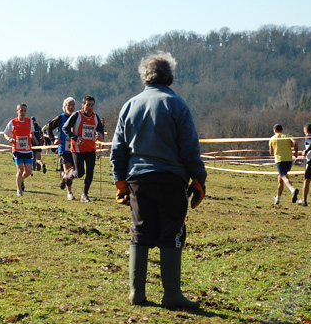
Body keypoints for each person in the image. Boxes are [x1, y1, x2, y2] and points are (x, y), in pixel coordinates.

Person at [110, 51, 206, 309]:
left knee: (139, 231)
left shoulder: (129, 105)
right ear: (170, 77)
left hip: (137, 180)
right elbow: (189, 148)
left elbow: (117, 149)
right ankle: (172, 294)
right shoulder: (177, 105)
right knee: (171, 232)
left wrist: (120, 182)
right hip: (171, 179)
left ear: (145, 77)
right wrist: (199, 178)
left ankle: (136, 293)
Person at [62, 95, 104, 202]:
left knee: (90, 172)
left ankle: (84, 195)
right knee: (80, 173)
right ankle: (68, 174)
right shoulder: (77, 115)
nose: (90, 108)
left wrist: (100, 135)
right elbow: (65, 128)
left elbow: (100, 129)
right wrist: (75, 138)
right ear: (83, 105)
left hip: (91, 149)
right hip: (78, 149)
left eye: (92, 105)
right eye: (87, 105)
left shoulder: (95, 117)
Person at [46, 97, 77, 200]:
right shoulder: (61, 118)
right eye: (69, 105)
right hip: (63, 148)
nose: (71, 107)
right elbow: (48, 127)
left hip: (75, 149)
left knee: (75, 173)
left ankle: (64, 177)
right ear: (64, 107)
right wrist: (53, 139)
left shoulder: (77, 117)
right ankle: (70, 193)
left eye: (73, 105)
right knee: (68, 171)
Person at [4, 103, 37, 196]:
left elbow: (32, 133)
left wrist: (32, 137)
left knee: (29, 171)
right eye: (21, 110)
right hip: (17, 149)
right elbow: (5, 133)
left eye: (24, 111)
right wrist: (9, 139)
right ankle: (19, 189)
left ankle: (21, 179)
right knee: (20, 170)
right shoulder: (12, 122)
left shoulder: (30, 121)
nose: (23, 112)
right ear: (17, 111)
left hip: (27, 149)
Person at [269, 124, 299, 205]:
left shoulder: (272, 138)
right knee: (280, 178)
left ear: (274, 130)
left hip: (280, 160)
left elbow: (271, 153)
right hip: (289, 160)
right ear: (282, 130)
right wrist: (296, 152)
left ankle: (292, 190)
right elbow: (295, 142)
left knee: (284, 177)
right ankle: (277, 199)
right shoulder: (287, 136)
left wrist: (276, 153)